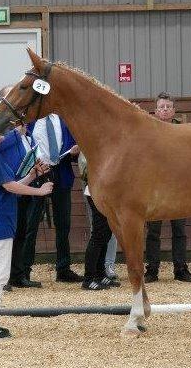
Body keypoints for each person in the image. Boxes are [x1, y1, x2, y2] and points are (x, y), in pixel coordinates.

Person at [0, 114, 53, 339]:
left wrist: (33, 175)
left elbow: (10, 184)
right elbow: (10, 186)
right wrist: (39, 190)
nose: (4, 129)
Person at [0, 86, 47, 291]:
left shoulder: (18, 125)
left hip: (25, 180)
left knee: (22, 231)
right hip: (10, 184)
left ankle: (18, 273)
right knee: (10, 233)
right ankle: (4, 277)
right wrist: (16, 134)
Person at [23, 113, 83, 283]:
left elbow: (71, 145)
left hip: (61, 172)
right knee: (31, 224)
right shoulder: (30, 123)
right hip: (38, 174)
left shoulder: (63, 120)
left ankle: (63, 269)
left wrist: (74, 151)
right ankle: (24, 270)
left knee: (63, 224)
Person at [144, 92, 191, 283]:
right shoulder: (148, 131)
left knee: (179, 229)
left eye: (168, 107)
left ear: (173, 110)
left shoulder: (184, 131)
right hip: (154, 188)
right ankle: (152, 269)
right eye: (161, 107)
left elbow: (190, 158)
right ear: (156, 111)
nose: (165, 110)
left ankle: (181, 268)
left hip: (178, 188)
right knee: (153, 231)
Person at [78, 152, 121, 290]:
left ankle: (100, 274)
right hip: (97, 191)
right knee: (98, 234)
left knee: (106, 234)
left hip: (106, 192)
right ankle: (88, 278)